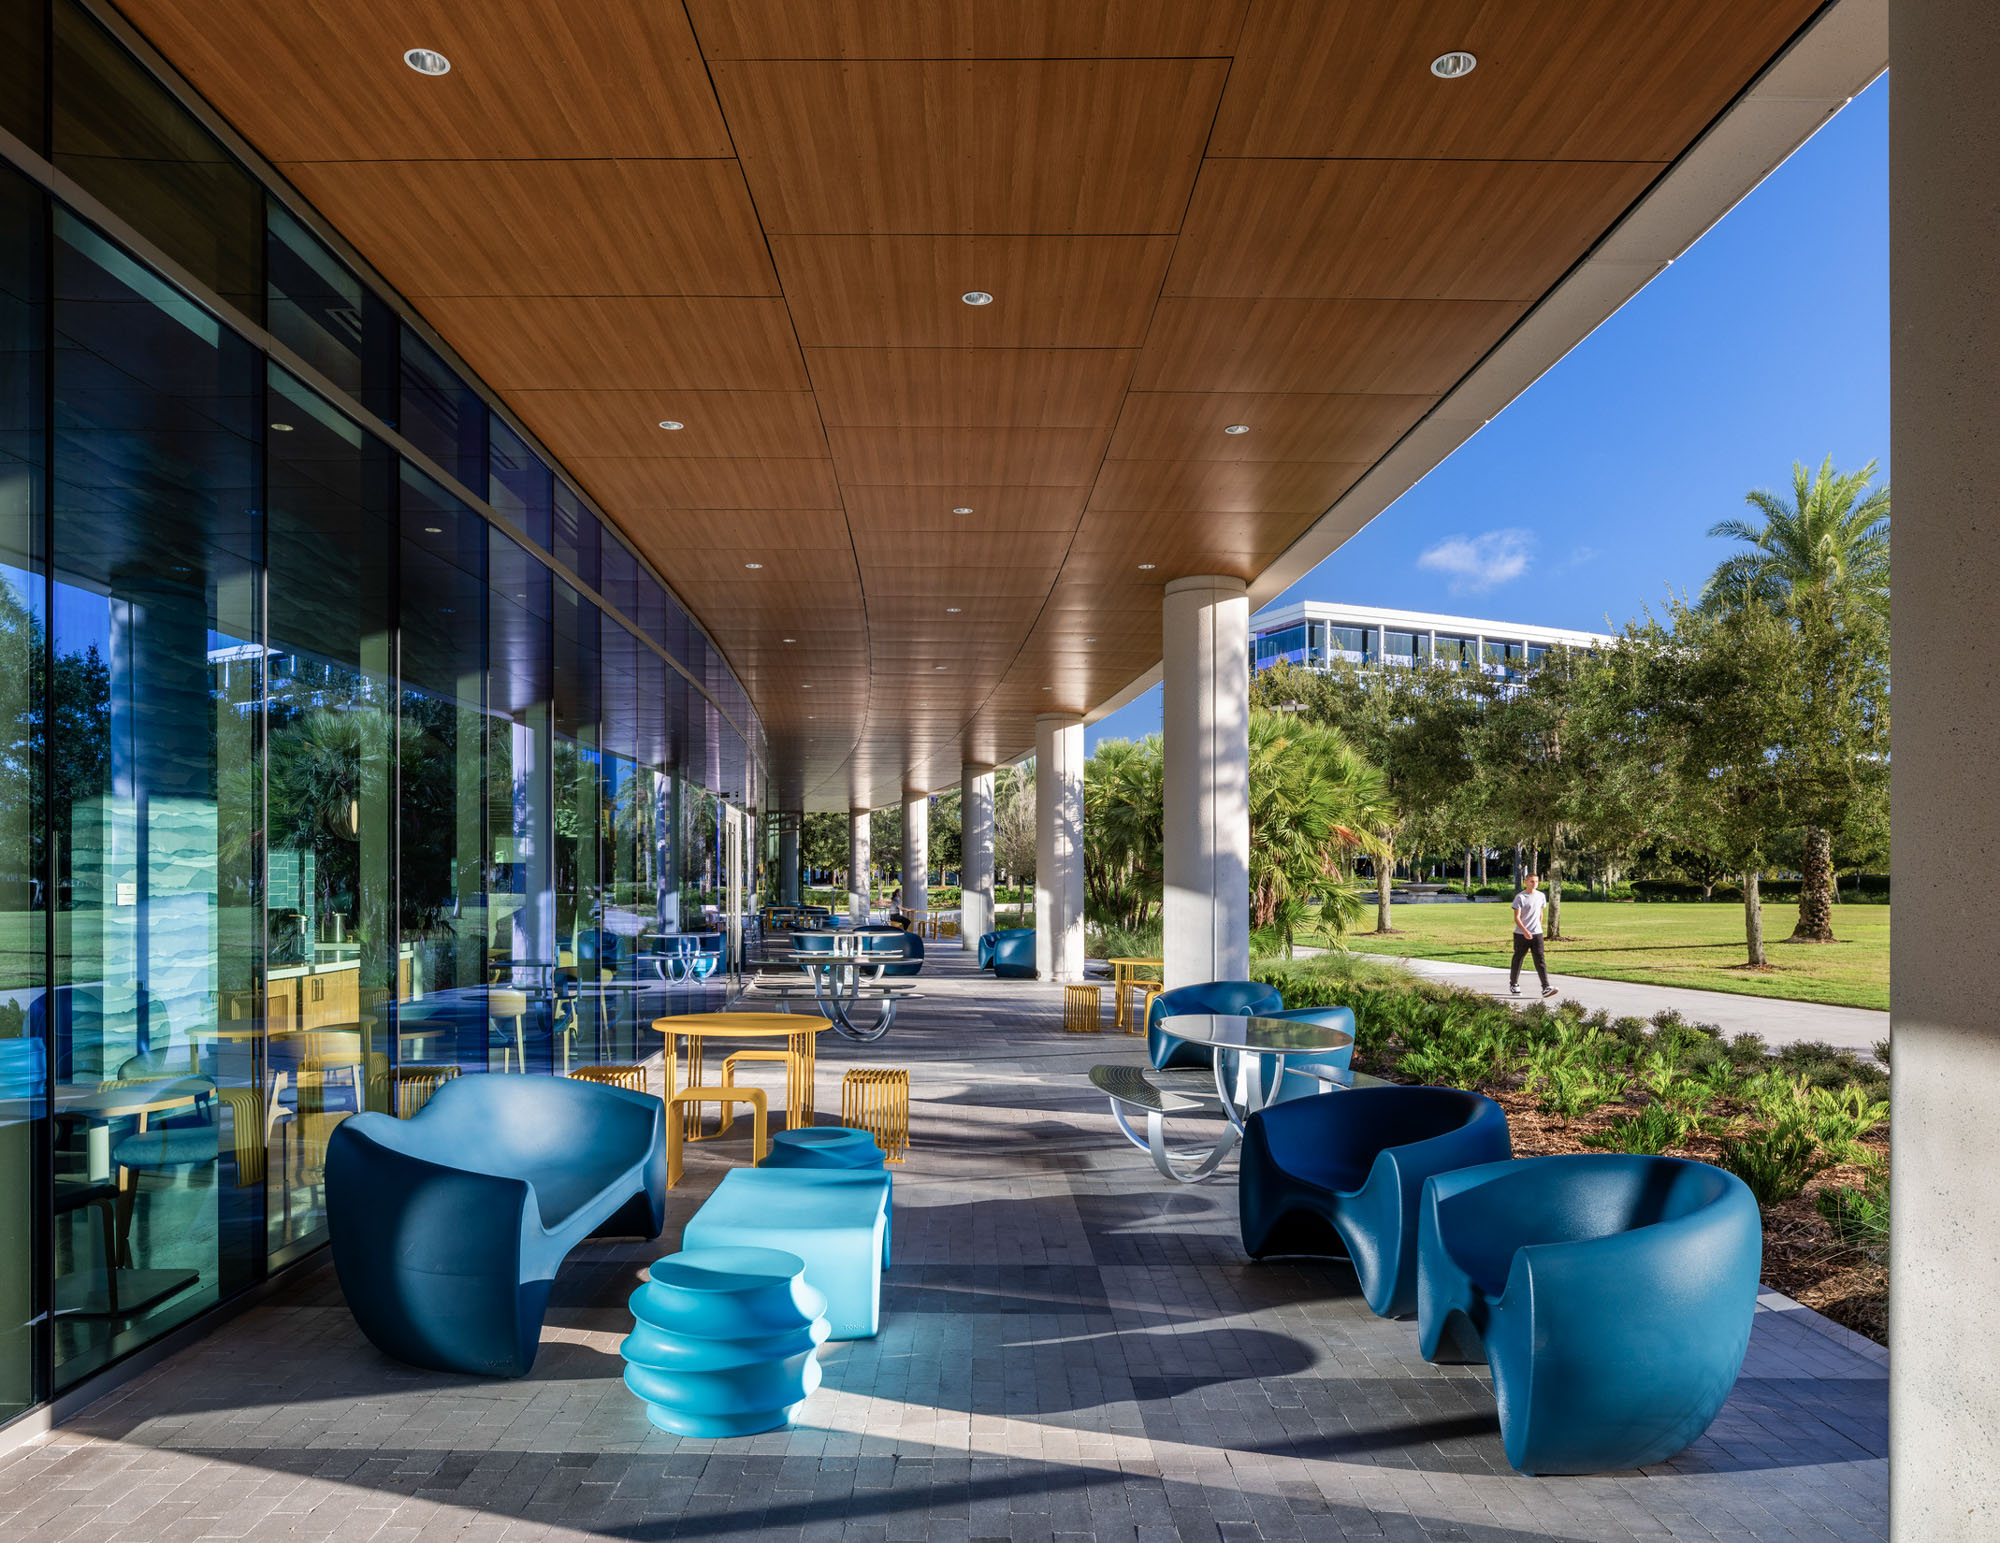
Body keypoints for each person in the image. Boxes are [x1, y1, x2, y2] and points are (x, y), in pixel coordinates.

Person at [1510, 872, 1558, 998]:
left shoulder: (1541, 896)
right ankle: (1514, 984)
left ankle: (1545, 987)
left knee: (1540, 960)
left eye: (1536, 881)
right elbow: (1517, 917)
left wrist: (1538, 927)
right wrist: (1525, 931)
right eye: (1531, 881)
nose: (1534, 884)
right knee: (1518, 959)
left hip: (1537, 934)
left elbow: (1540, 913)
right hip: (1521, 934)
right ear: (1525, 882)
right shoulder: (1520, 897)